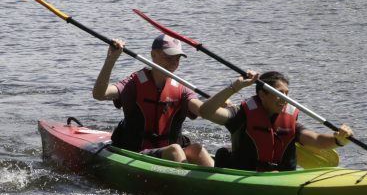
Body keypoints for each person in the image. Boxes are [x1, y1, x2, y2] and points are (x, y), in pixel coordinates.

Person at [92, 34, 226, 167]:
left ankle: (219, 182)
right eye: (168, 57)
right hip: (137, 153)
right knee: (175, 150)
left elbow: (203, 111)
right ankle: (186, 184)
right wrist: (111, 59)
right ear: (153, 55)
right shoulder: (133, 84)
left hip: (169, 152)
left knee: (197, 149)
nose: (174, 63)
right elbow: (100, 94)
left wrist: (221, 99)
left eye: (177, 58)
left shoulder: (182, 89)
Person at [199, 71, 353, 171]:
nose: (285, 99)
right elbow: (206, 112)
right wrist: (235, 87)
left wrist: (339, 139)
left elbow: (317, 140)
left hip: (281, 177)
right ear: (262, 94)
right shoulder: (241, 115)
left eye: (287, 94)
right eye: (280, 93)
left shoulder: (289, 120)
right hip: (246, 176)